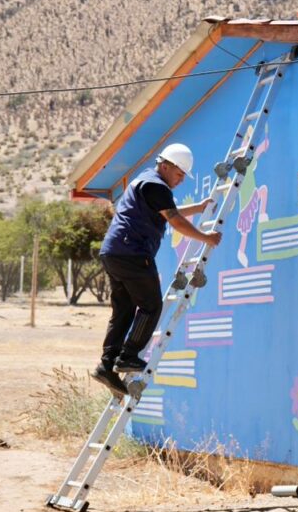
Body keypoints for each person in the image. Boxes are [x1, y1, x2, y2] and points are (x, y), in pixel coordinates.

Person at [92, 143, 222, 395]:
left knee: (124, 311)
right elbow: (175, 221)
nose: (180, 180)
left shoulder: (145, 181)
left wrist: (198, 208)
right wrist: (206, 238)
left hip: (114, 252)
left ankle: (106, 366)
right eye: (179, 174)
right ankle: (128, 356)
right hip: (132, 252)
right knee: (151, 305)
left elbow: (167, 212)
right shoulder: (157, 186)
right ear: (165, 166)